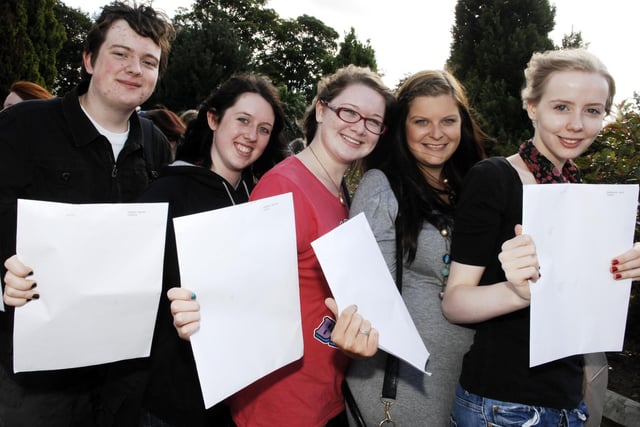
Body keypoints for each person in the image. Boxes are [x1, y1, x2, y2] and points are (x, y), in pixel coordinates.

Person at [168, 65, 395, 427]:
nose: (359, 126)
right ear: (321, 110)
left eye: (373, 121)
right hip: (279, 405)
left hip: (326, 396)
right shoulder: (284, 189)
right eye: (348, 112)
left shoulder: (341, 192)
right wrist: (195, 312)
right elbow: (237, 302)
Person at [441, 48, 640, 426]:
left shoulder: (584, 194)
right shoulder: (494, 179)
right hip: (502, 405)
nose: (577, 124)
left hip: (569, 401)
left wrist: (623, 268)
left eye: (593, 110)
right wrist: (517, 292)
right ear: (532, 107)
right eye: (561, 107)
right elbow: (455, 303)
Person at [0, 2, 175, 426]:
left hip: (121, 369)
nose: (135, 68)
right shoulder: (23, 127)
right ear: (89, 59)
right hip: (34, 374)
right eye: (120, 53)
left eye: (148, 61)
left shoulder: (155, 145)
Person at [333, 70, 487, 426]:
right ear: (403, 127)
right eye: (421, 121)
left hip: (470, 382)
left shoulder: (472, 187)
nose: (436, 133)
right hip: (401, 385)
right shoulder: (382, 188)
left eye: (448, 120)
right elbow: (366, 302)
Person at [137, 72, 287, 427]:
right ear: (213, 118)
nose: (252, 136)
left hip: (230, 395)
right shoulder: (167, 193)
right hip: (171, 397)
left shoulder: (257, 200)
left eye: (264, 129)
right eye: (243, 120)